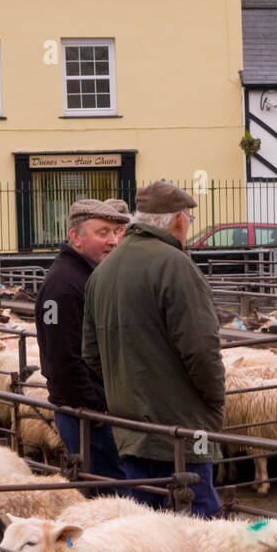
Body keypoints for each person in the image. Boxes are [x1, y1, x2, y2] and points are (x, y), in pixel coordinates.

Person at [82, 181, 225, 517]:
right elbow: (202, 349)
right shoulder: (176, 266)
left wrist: (127, 390)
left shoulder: (102, 272)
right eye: (188, 217)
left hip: (130, 428)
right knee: (198, 519)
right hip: (183, 427)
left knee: (144, 524)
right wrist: (214, 401)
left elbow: (90, 354)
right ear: (177, 220)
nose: (188, 224)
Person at [37, 199, 130, 493]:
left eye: (116, 232)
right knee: (109, 495)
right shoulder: (64, 286)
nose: (113, 241)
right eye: (102, 233)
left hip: (92, 411)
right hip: (87, 417)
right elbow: (62, 357)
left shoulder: (87, 277)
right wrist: (94, 408)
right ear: (76, 237)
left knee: (113, 493)